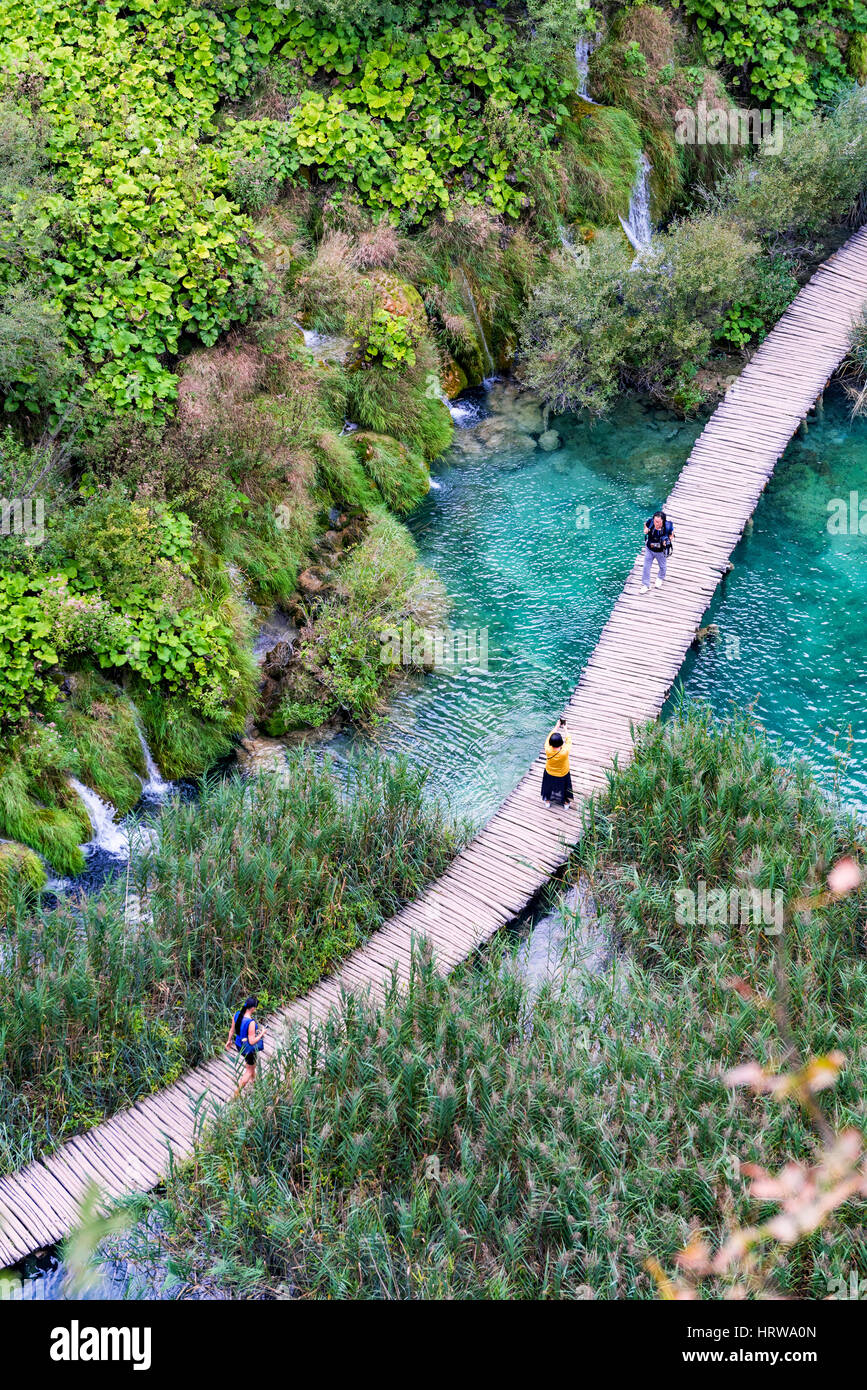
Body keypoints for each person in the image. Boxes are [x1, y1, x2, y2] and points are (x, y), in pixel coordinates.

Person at [226, 995, 265, 1097]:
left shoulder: (237, 1014)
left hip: (238, 1045)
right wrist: (262, 1034)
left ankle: (254, 1082)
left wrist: (229, 1041)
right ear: (252, 1008)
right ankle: (237, 1093)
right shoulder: (250, 1022)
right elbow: (252, 1041)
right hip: (248, 1048)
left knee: (252, 1064)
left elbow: (232, 1030)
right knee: (249, 1070)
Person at [541, 717, 574, 809]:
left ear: (551, 743)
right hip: (563, 773)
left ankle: (547, 802)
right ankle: (566, 804)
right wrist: (565, 728)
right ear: (561, 743)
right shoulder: (565, 751)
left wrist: (556, 727)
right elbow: (569, 740)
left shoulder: (547, 749)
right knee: (564, 788)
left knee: (548, 787)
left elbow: (549, 736)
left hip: (550, 772)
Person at [641, 509, 674, 592]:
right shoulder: (651, 522)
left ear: (663, 521)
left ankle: (660, 578)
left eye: (658, 522)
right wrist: (645, 529)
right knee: (646, 566)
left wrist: (667, 542)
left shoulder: (667, 527)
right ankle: (646, 585)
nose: (656, 523)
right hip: (650, 548)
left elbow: (671, 535)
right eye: (655, 521)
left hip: (661, 551)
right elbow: (645, 524)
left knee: (662, 567)